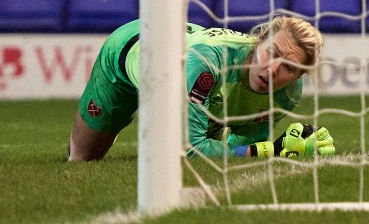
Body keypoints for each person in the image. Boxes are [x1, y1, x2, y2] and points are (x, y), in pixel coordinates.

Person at [68, 16, 336, 160]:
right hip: (130, 52)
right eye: (271, 53)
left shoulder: (288, 94)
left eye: (288, 67)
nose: (272, 70)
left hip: (182, 67)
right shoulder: (208, 59)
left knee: (213, 142)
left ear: (298, 76)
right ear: (258, 42)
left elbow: (244, 150)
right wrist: (273, 150)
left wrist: (281, 146)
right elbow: (189, 149)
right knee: (84, 158)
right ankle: (115, 119)